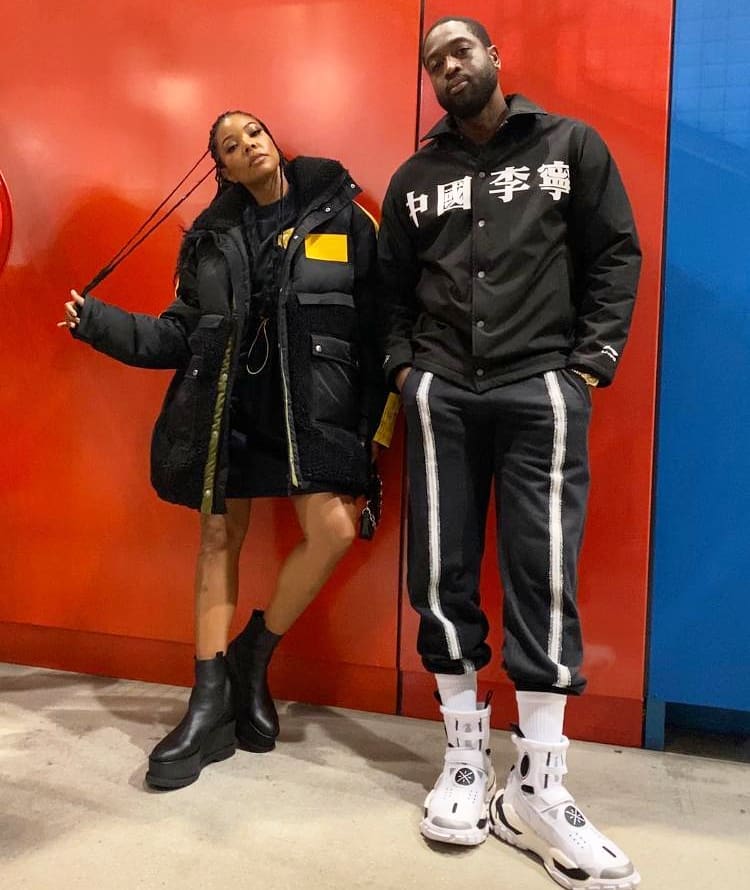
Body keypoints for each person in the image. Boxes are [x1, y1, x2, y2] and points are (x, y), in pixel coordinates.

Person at [377, 16, 641, 890]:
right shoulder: (416, 179)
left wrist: (589, 364)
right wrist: (406, 371)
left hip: (541, 388)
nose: (448, 66)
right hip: (443, 392)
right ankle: (463, 762)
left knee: (543, 571)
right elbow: (388, 290)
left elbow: (615, 254)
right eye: (434, 60)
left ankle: (537, 787)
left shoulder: (569, 148)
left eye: (461, 51)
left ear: (494, 58)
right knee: (440, 572)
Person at [60, 110, 387, 790]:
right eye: (231, 146)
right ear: (224, 170)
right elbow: (178, 335)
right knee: (217, 539)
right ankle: (209, 698)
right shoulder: (209, 240)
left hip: (311, 411)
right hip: (228, 409)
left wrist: (373, 429)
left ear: (275, 142)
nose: (248, 146)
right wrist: (98, 323)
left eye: (254, 133)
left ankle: (251, 654)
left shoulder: (345, 215)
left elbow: (382, 326)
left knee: (333, 529)